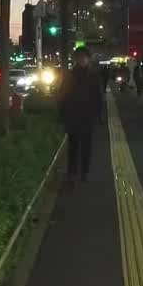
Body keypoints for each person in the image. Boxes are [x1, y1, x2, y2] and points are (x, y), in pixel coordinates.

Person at [58, 46, 103, 186]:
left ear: (88, 59)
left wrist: (96, 114)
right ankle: (72, 174)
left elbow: (98, 97)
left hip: (87, 117)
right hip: (73, 116)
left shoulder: (93, 76)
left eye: (84, 57)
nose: (82, 60)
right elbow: (62, 96)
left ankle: (84, 172)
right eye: (79, 57)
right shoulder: (69, 75)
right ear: (76, 59)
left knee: (86, 147)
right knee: (73, 147)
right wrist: (63, 114)